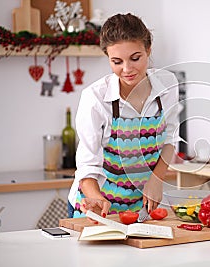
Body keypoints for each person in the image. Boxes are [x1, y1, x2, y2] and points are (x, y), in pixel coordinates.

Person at [67, 13, 180, 219]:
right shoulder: (95, 97)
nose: (127, 69)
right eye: (117, 61)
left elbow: (170, 139)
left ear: (148, 50)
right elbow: (87, 164)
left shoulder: (167, 85)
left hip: (141, 204)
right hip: (97, 204)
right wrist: (95, 198)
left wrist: (156, 179)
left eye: (135, 58)